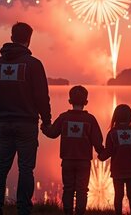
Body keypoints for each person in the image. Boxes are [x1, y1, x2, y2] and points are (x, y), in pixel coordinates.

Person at [0, 22, 52, 215]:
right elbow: (41, 96)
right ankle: (23, 210)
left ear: (12, 36)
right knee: (26, 169)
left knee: (1, 167)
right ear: (28, 39)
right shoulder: (33, 64)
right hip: (26, 124)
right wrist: (47, 121)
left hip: (4, 123)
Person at [42, 85, 104, 215]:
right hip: (84, 162)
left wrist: (44, 127)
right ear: (86, 102)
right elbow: (97, 140)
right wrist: (102, 152)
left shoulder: (64, 117)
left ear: (69, 101)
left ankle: (68, 212)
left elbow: (52, 133)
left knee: (68, 188)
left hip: (67, 160)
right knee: (82, 190)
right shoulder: (90, 120)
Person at [98, 104, 131, 215]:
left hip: (117, 171)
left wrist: (100, 156)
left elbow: (108, 152)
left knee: (118, 196)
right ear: (130, 117)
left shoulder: (112, 134)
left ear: (115, 117)